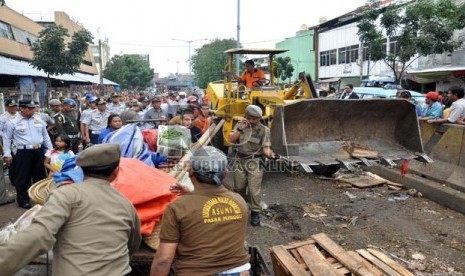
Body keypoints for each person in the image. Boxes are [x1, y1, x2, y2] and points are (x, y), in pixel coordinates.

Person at [0, 143, 142, 275]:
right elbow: (133, 243)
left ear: (81, 170)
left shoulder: (65, 194)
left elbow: (39, 235)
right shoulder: (125, 203)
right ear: (116, 172)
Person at [150, 146, 250, 276]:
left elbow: (163, 260)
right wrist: (191, 194)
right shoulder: (239, 201)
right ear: (225, 173)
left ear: (190, 171)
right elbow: (212, 204)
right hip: (240, 271)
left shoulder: (177, 208)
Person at [228, 105, 277, 226]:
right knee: (239, 188)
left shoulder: (264, 130)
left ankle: (255, 211)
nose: (251, 121)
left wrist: (271, 155)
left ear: (259, 118)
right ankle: (242, 208)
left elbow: (265, 149)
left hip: (255, 162)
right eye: (249, 118)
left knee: (254, 189)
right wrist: (239, 129)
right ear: (245, 115)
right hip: (240, 160)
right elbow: (231, 139)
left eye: (254, 119)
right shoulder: (240, 125)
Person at [2, 100, 53, 209]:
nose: (33, 110)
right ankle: (23, 200)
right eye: (30, 108)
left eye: (33, 108)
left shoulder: (39, 120)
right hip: (22, 152)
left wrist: (50, 150)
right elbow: (7, 138)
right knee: (23, 177)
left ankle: (40, 197)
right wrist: (7, 154)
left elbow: (45, 136)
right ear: (22, 109)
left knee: (40, 176)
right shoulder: (12, 122)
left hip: (39, 151)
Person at [0, 99, 18, 206]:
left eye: (15, 106)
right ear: (7, 107)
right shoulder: (3, 118)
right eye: (11, 106)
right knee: (11, 162)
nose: (13, 108)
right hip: (9, 142)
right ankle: (13, 180)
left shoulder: (20, 115)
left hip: (19, 141)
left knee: (19, 161)